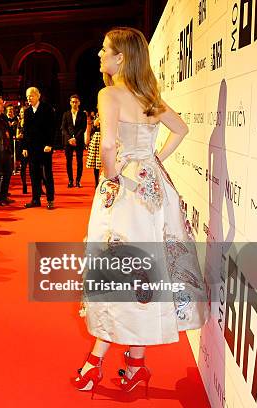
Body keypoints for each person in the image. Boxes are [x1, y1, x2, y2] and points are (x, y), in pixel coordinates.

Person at [74, 27, 208, 396]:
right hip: (154, 187)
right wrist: (154, 161)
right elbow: (180, 129)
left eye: (104, 50)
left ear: (121, 58)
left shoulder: (110, 93)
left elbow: (110, 144)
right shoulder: (148, 95)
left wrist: (113, 175)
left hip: (125, 190)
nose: (99, 55)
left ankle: (96, 360)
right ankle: (134, 365)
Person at [22, 87, 55, 209]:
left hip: (45, 147)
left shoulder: (47, 109)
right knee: (34, 174)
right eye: (27, 97)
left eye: (31, 96)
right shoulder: (27, 111)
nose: (29, 98)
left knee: (47, 174)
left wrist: (50, 144)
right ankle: (35, 199)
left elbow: (52, 128)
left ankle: (50, 200)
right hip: (31, 148)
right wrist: (24, 146)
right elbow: (25, 130)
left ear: (38, 96)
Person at [60, 94, 87, 188]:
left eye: (76, 102)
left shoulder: (83, 114)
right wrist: (69, 139)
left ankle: (78, 181)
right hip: (68, 142)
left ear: (79, 103)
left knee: (79, 161)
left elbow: (83, 128)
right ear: (70, 103)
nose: (74, 103)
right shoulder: (66, 114)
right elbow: (63, 128)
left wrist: (76, 138)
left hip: (79, 141)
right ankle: (70, 181)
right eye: (72, 102)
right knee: (69, 161)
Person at [85, 112, 102, 187]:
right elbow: (91, 128)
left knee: (106, 162)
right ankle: (96, 182)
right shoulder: (95, 118)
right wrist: (87, 140)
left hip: (105, 138)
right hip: (96, 139)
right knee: (96, 163)